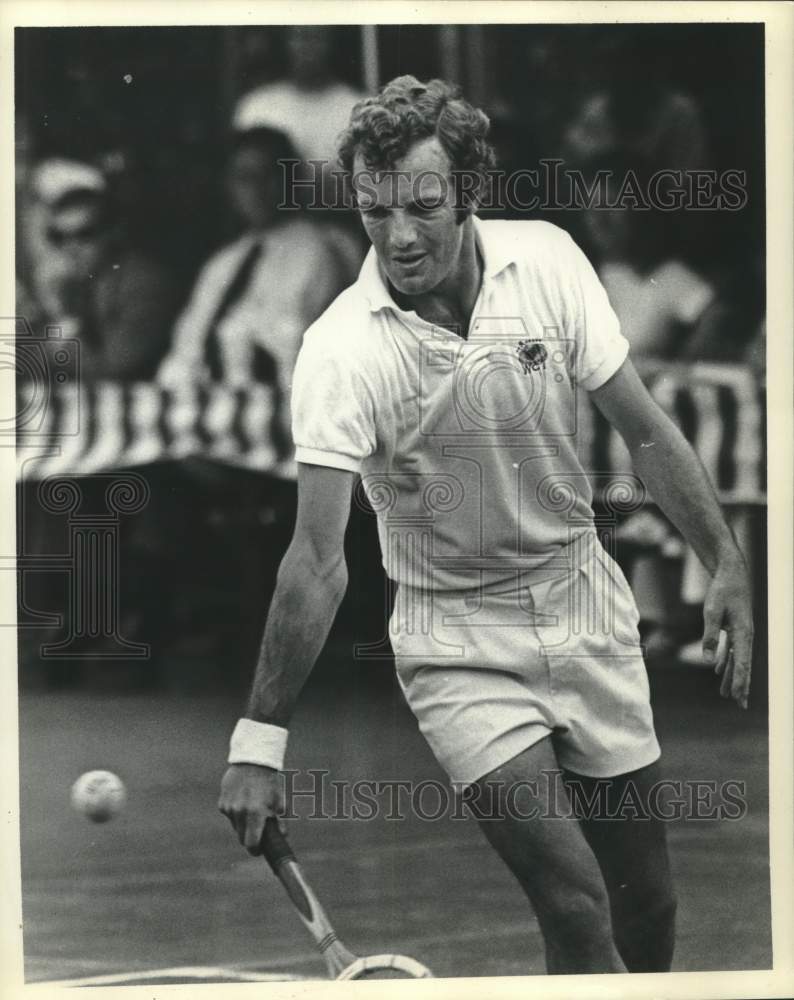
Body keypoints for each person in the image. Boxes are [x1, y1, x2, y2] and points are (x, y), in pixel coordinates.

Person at [218, 77, 753, 975]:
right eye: (374, 210)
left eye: (423, 206)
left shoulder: (548, 261)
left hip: (585, 604)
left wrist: (727, 563)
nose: (397, 236)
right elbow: (316, 562)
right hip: (455, 637)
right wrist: (258, 743)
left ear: (468, 193)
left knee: (645, 905)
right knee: (576, 903)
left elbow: (648, 429)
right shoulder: (340, 351)